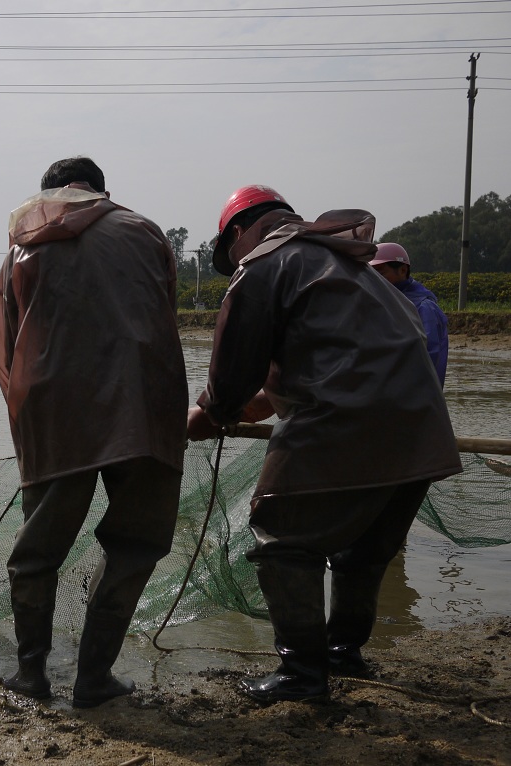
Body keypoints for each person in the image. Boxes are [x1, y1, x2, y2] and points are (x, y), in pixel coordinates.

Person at [187, 185, 462, 704]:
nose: (235, 260)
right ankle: (342, 653)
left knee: (281, 534)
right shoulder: (351, 266)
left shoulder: (264, 265)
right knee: (362, 551)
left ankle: (301, 675)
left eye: (231, 250)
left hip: (345, 420)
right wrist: (267, 399)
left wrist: (211, 413)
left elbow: (233, 373)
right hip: (421, 429)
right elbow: (344, 348)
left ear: (242, 231)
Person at [0, 157, 188, 708]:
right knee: (134, 546)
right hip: (146, 411)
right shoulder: (146, 232)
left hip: (55, 415)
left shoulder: (23, 245)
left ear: (49, 194)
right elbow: (162, 317)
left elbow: (6, 350)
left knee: (37, 553)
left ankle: (31, 675)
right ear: (102, 193)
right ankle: (94, 678)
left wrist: (27, 422)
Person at [369, 242, 449, 386]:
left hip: (414, 397)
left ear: (402, 270)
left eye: (380, 273)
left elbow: (428, 357)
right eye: (371, 273)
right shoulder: (382, 302)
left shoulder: (424, 308)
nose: (375, 279)